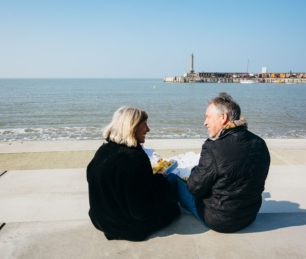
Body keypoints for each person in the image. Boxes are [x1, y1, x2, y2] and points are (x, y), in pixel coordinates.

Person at [179, 92, 270, 233]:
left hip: (221, 221)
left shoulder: (213, 148)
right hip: (250, 215)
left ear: (223, 117)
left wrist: (194, 170)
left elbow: (194, 188)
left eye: (208, 117)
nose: (205, 123)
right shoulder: (260, 143)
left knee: (174, 182)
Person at [87, 106, 180, 241]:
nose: (148, 130)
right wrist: (161, 182)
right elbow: (141, 211)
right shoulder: (135, 159)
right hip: (127, 228)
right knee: (172, 200)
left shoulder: (103, 150)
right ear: (133, 127)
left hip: (100, 220)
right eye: (145, 125)